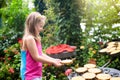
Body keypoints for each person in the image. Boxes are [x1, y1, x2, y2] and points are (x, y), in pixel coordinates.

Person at [20, 12, 62, 80]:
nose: (41, 29)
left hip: (36, 74)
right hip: (29, 75)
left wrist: (54, 60)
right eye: (40, 26)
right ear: (33, 25)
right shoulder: (29, 38)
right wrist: (53, 62)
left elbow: (40, 54)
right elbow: (36, 57)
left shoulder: (36, 39)